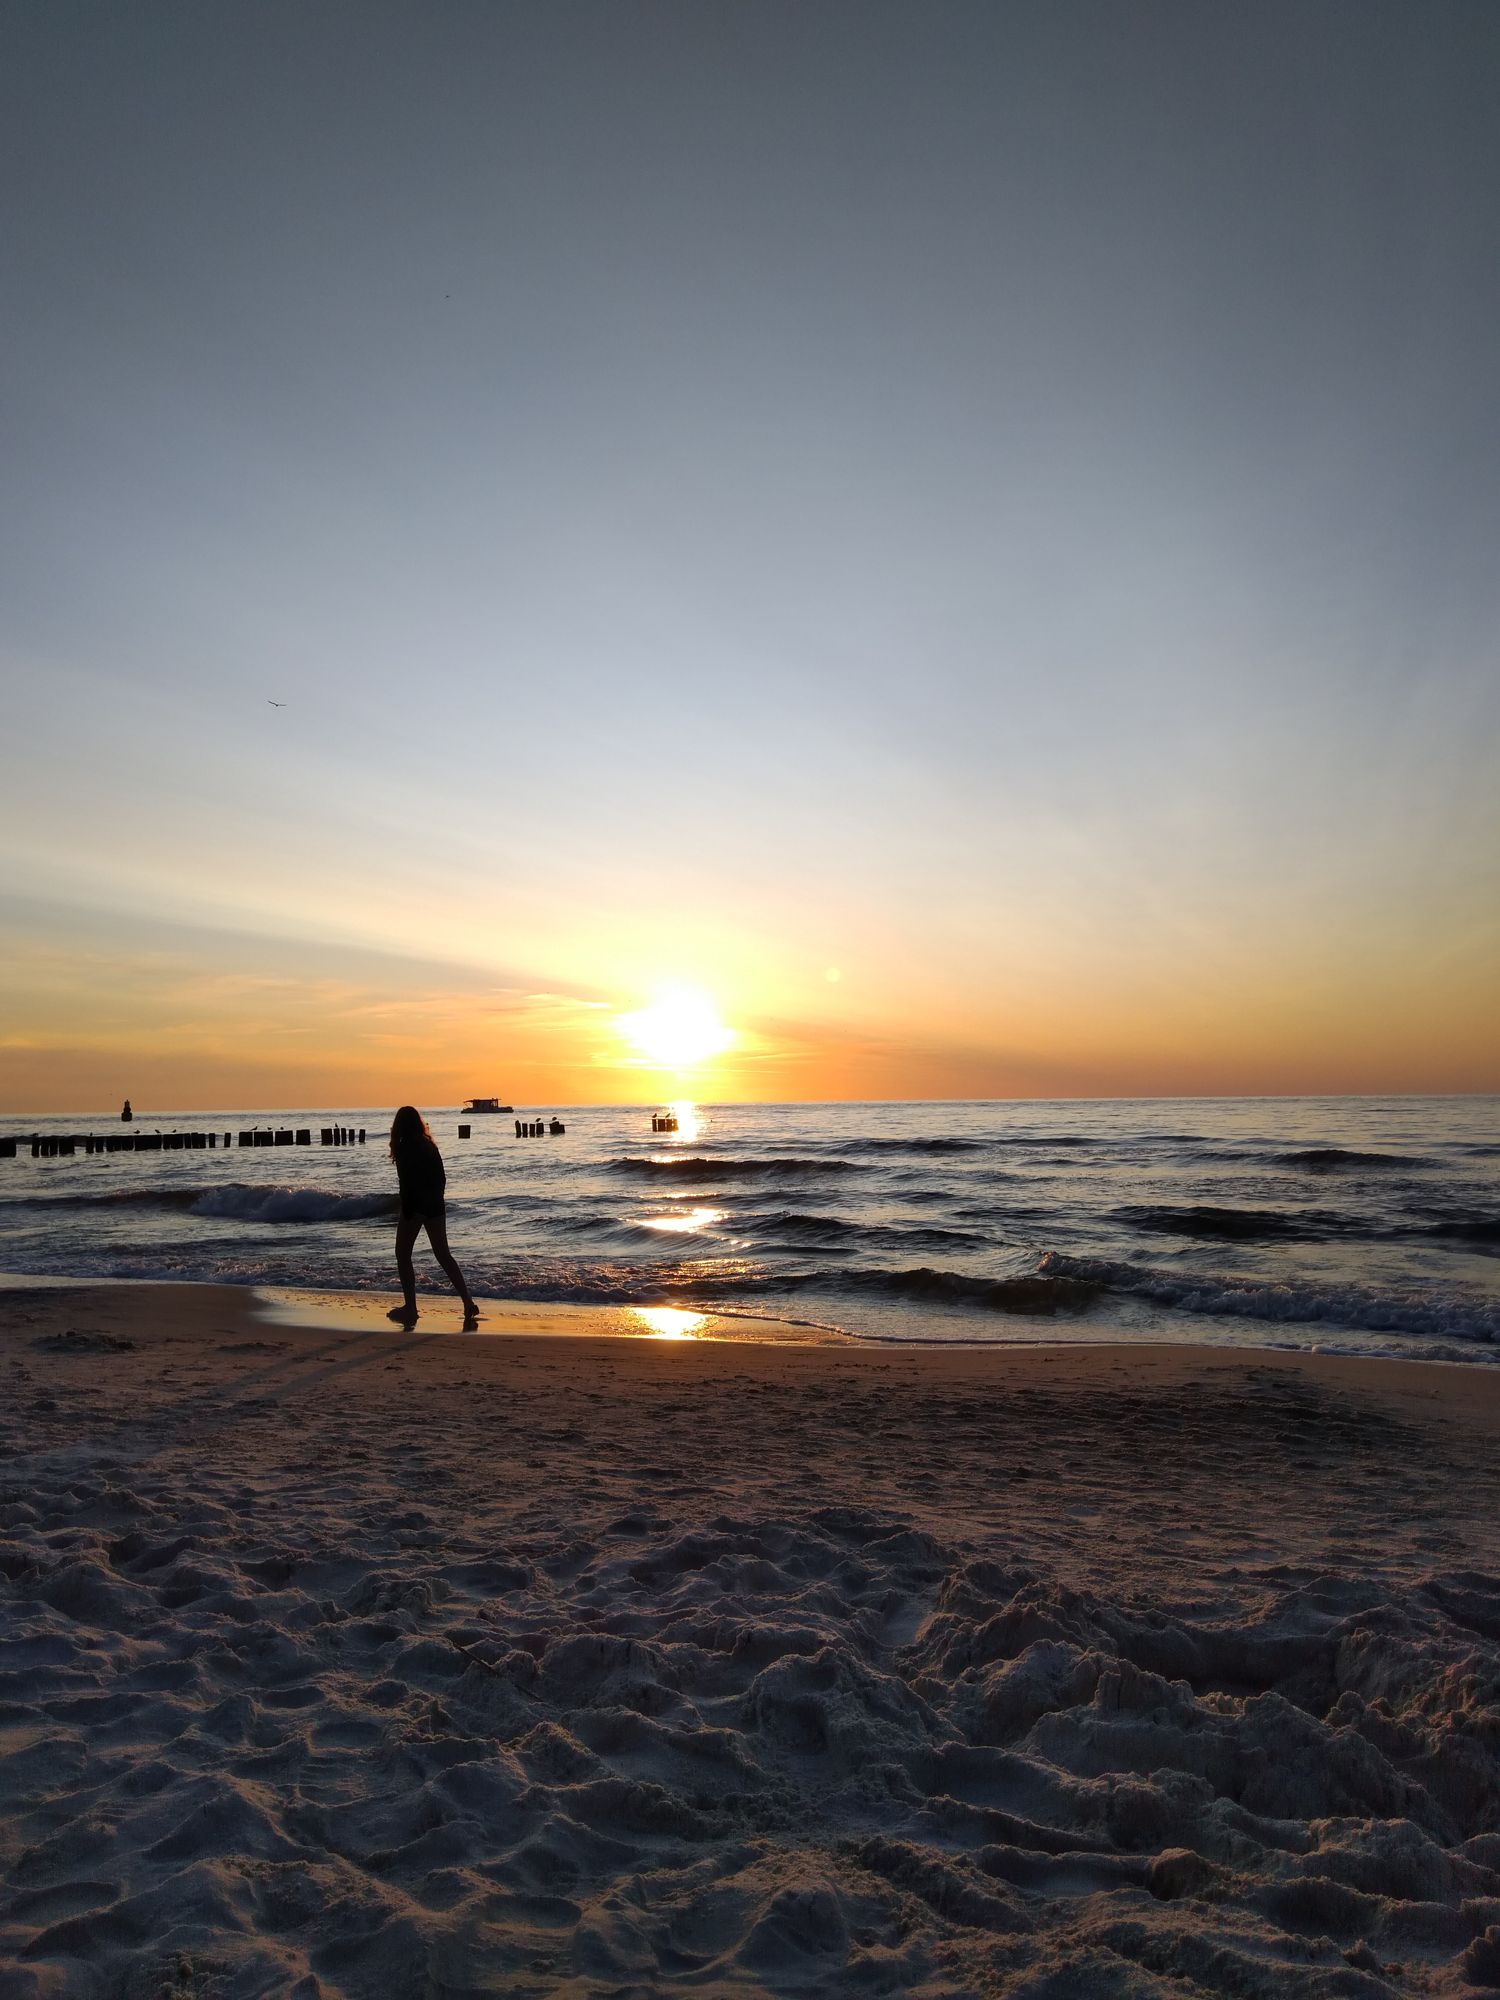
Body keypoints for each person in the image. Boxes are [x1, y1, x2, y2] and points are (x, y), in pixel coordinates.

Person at [387, 1106, 478, 1325]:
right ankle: (467, 1301)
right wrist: (436, 1200)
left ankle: (411, 1307)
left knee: (402, 1253)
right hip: (436, 1205)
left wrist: (408, 1210)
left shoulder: (403, 1146)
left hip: (416, 1206)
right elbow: (442, 1178)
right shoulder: (429, 1145)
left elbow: (406, 1184)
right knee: (443, 1254)